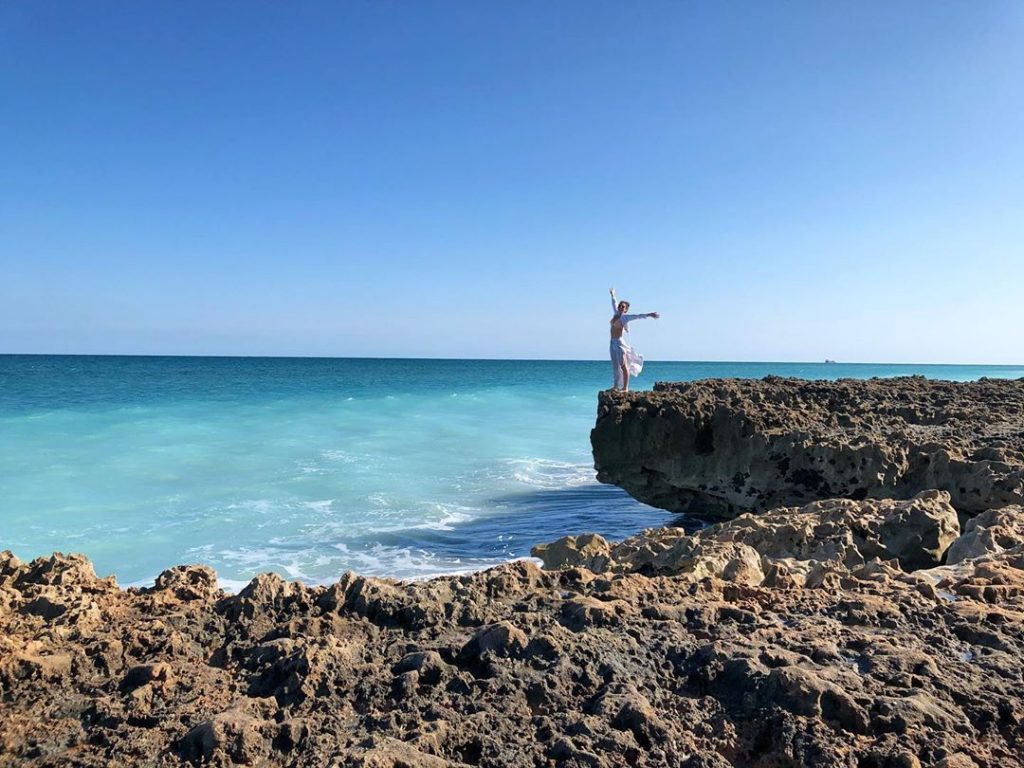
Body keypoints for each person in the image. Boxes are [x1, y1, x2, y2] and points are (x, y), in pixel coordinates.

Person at [609, 288, 659, 391]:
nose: (620, 307)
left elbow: (637, 316)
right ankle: (615, 386)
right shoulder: (615, 314)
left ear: (626, 309)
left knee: (623, 365)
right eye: (620, 306)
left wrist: (649, 315)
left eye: (623, 307)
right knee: (615, 366)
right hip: (612, 343)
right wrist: (613, 294)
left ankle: (625, 388)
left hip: (619, 343)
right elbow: (614, 302)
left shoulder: (625, 317)